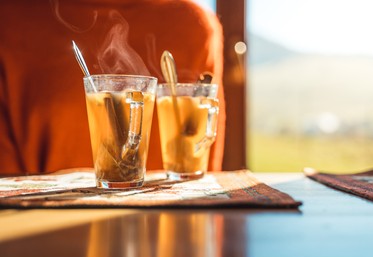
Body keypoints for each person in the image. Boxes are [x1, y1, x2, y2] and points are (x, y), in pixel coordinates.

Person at [0, 0, 225, 175]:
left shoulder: (193, 25)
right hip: (41, 226)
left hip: (175, 226)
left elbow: (204, 170)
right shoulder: (10, 20)